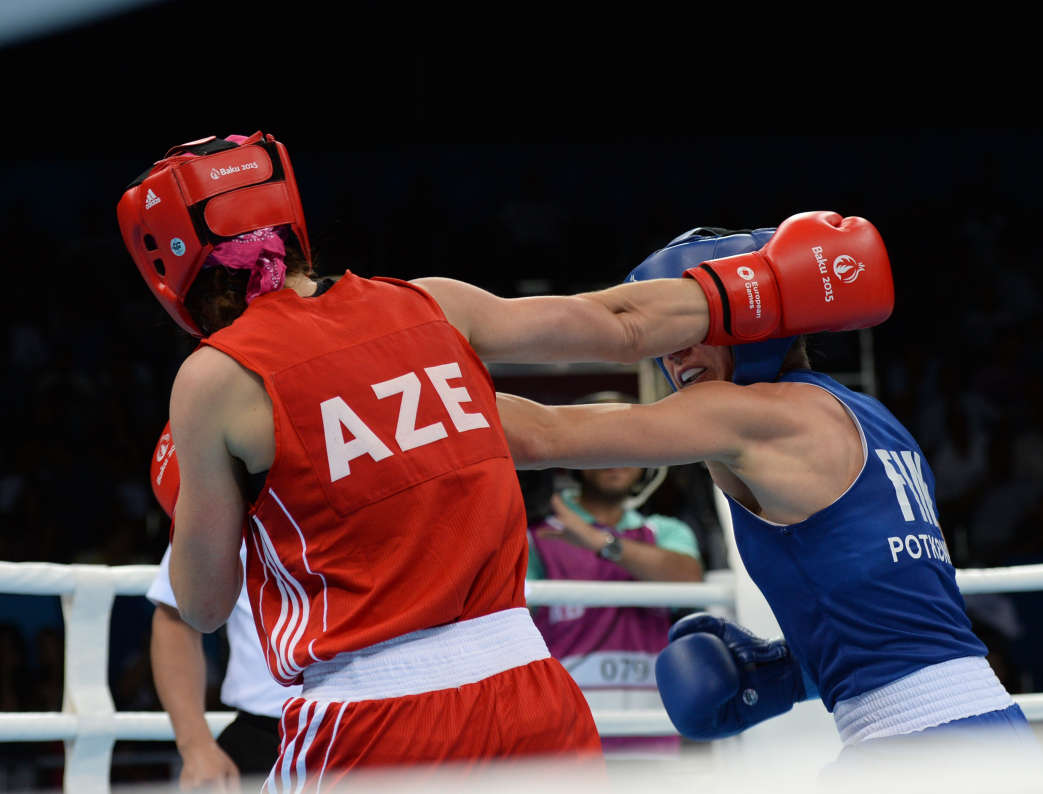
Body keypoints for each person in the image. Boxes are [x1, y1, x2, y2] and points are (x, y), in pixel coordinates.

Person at [117, 131, 889, 786]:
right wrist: (772, 284)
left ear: (169, 265)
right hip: (530, 695)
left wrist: (208, 497)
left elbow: (204, 607)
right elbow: (620, 324)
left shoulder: (215, 380)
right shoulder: (430, 303)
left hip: (374, 719)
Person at [497, 226, 1037, 760]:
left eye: (693, 326)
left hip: (918, 741)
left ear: (754, 313)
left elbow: (543, 435)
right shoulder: (876, 420)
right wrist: (790, 670)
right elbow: (903, 618)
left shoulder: (748, 417)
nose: (675, 355)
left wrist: (445, 368)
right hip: (989, 724)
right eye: (664, 341)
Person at [526, 392, 703, 757]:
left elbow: (689, 579)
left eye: (629, 442)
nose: (616, 455)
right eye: (602, 442)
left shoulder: (665, 532)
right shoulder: (536, 537)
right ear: (575, 456)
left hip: (651, 734)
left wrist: (598, 542)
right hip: (565, 739)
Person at [147, 426, 300, 791]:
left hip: (378, 713)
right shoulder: (221, 505)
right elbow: (174, 621)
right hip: (266, 734)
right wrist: (196, 746)